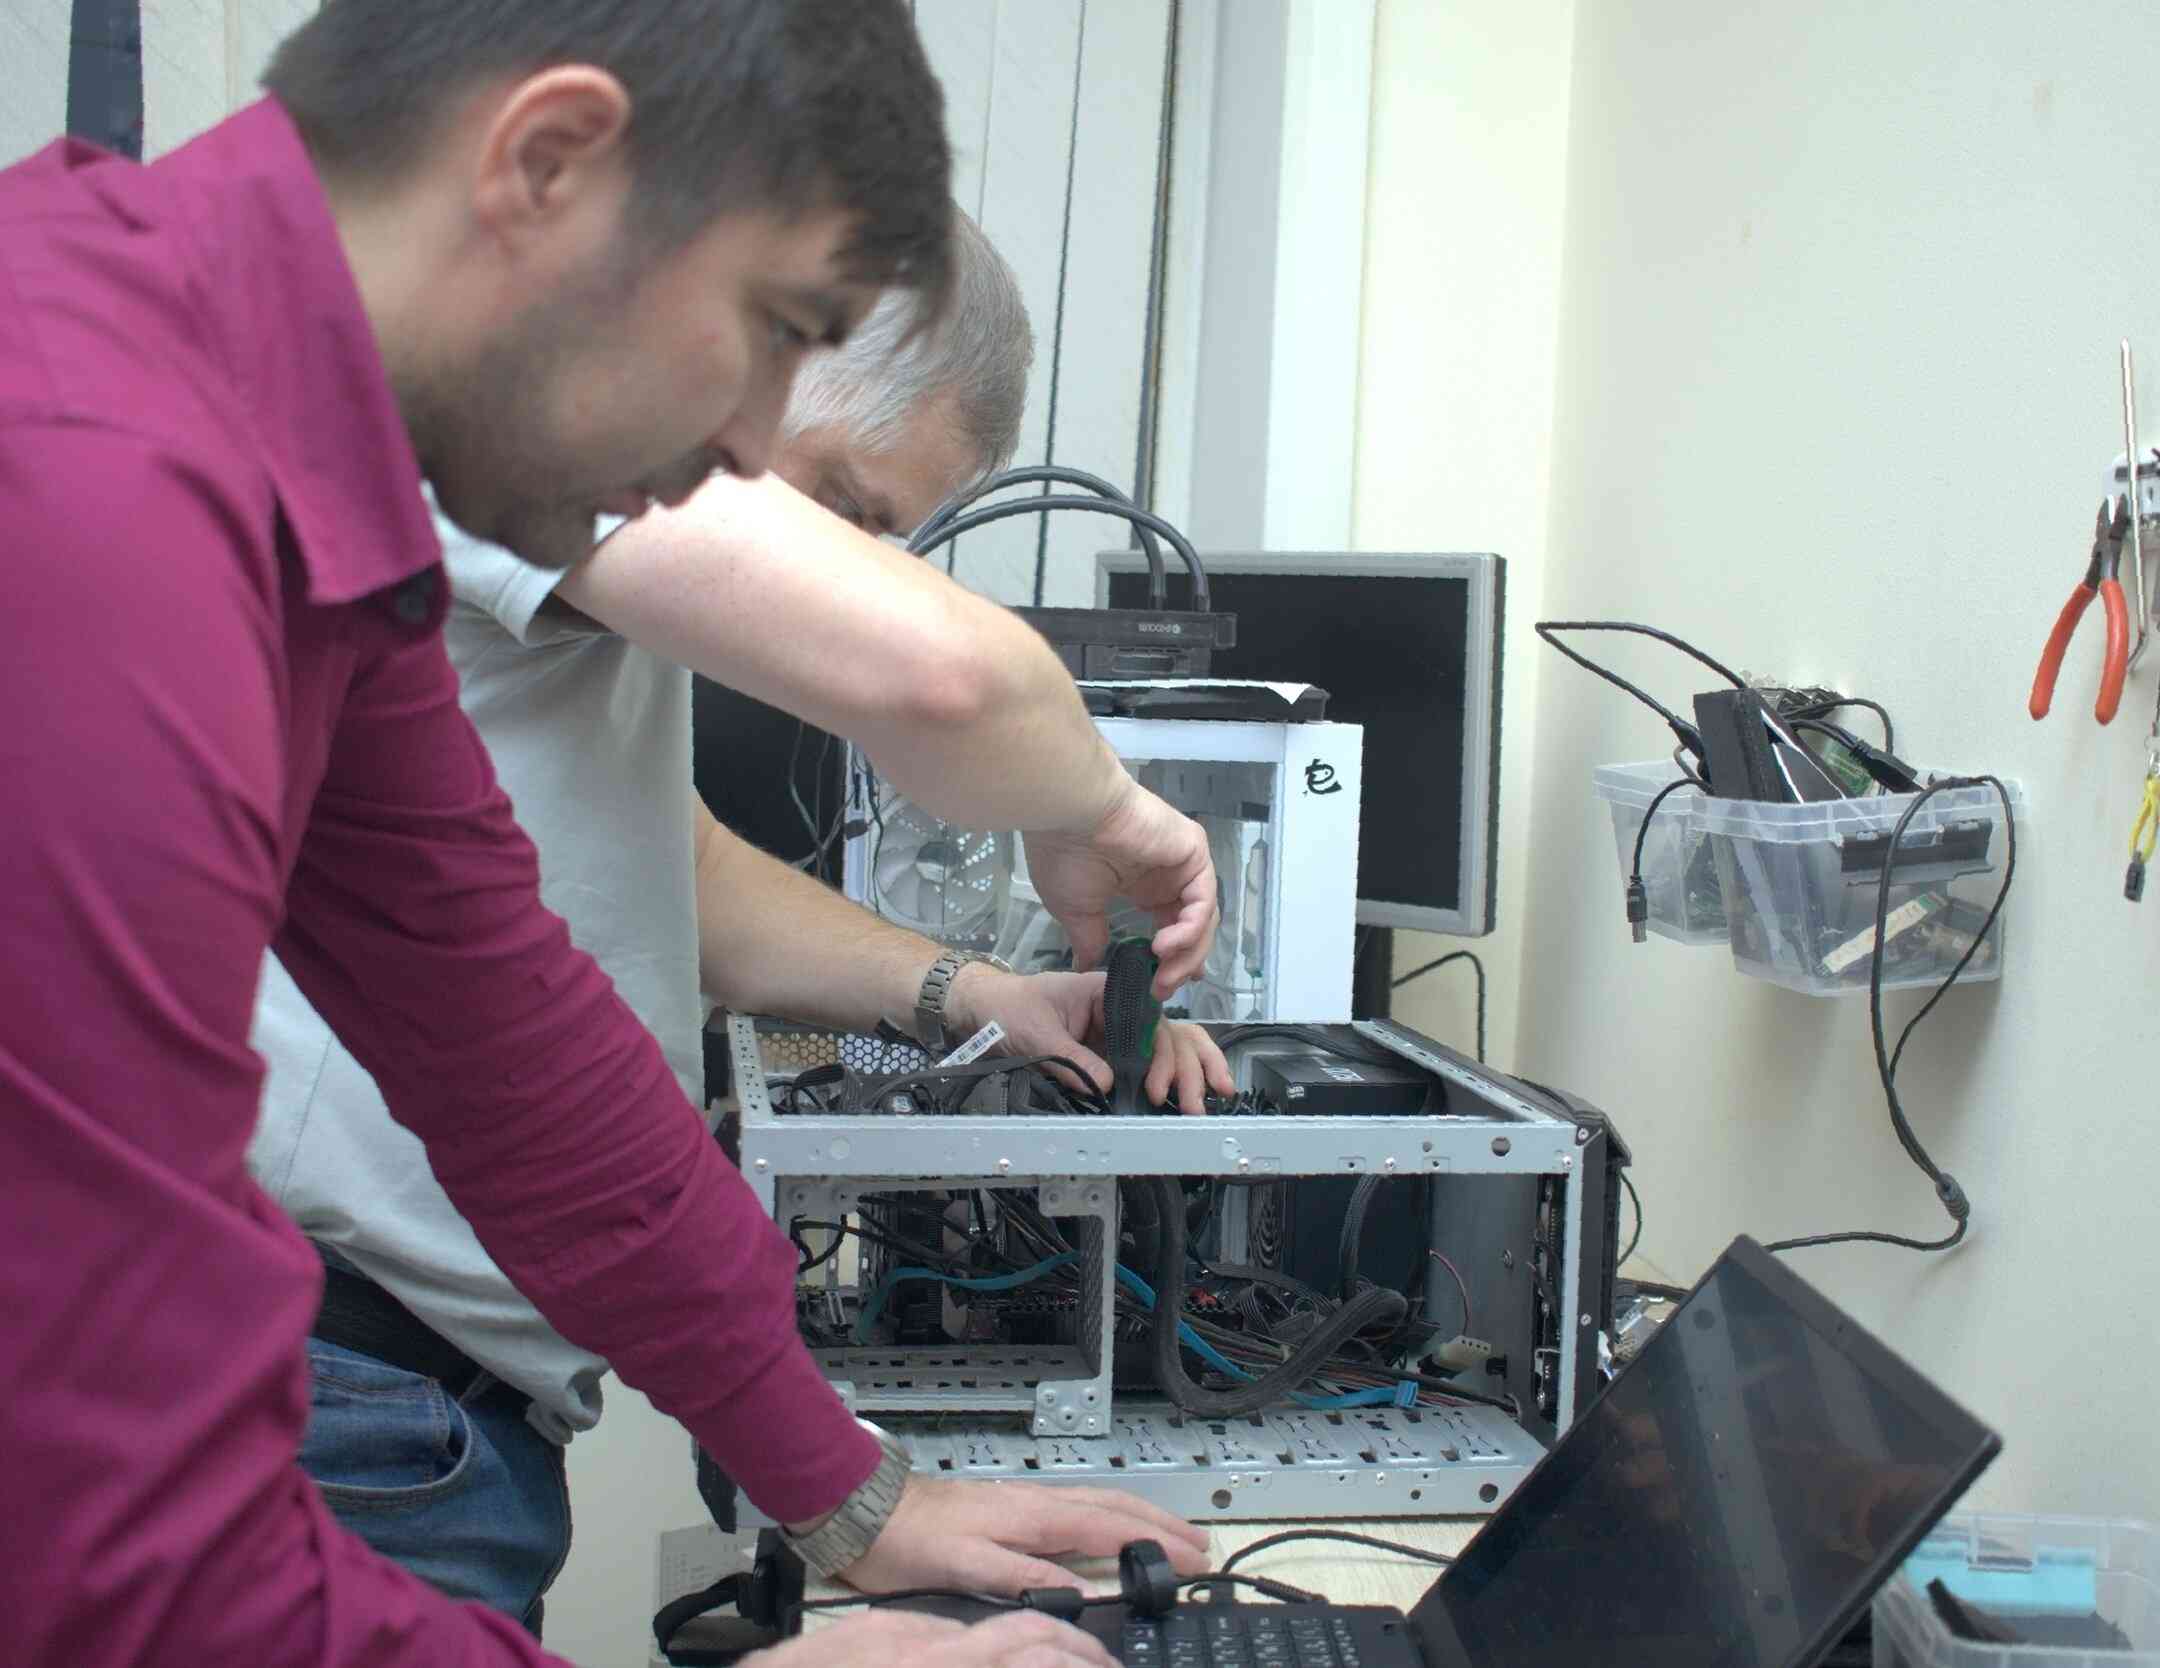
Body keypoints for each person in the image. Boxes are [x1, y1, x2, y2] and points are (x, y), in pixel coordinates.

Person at [0, 5, 1213, 1666]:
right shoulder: (85, 484)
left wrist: (846, 1493)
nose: (742, 461)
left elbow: (517, 1054)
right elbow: (123, 1563)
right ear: (546, 167)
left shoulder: (320, 505)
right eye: (768, 331)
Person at [254, 208, 1234, 1627]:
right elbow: (953, 684)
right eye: (841, 508)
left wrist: (972, 992)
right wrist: (1110, 814)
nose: (841, 567)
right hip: (332, 1386)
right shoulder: (507, 408)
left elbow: (677, 871)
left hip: (422, 1411)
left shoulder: (564, 596)